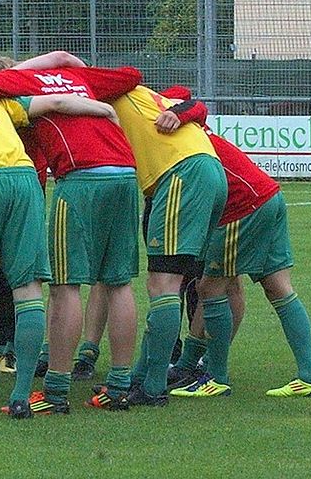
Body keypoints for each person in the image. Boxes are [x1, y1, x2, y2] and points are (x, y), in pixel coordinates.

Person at [0, 56, 142, 412]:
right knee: (118, 282)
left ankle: (54, 392)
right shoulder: (75, 78)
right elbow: (131, 74)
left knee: (64, 285)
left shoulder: (16, 87)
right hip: (125, 171)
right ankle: (118, 387)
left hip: (79, 177)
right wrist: (84, 82)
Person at [151, 87, 311, 399]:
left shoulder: (185, 140)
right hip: (268, 195)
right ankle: (309, 377)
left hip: (243, 206)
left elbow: (193, 104)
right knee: (278, 288)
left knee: (211, 288)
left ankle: (216, 377)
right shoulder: (194, 133)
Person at [105, 84, 227, 406]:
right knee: (177, 282)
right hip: (209, 172)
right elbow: (194, 105)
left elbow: (192, 105)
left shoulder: (113, 94)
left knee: (163, 285)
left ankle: (154, 386)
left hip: (181, 175)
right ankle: (145, 375)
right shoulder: (148, 99)